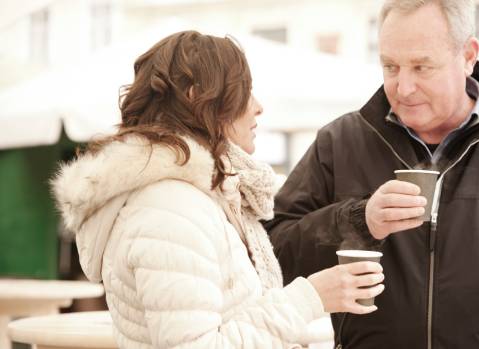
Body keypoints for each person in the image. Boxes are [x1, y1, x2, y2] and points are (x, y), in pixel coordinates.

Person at [51, 30, 384, 348]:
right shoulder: (170, 209)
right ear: (198, 98)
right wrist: (310, 297)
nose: (257, 106)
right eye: (244, 91)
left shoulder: (201, 196)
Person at [264, 1, 479, 348]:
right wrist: (360, 221)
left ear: (468, 55)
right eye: (390, 66)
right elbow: (269, 256)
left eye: (422, 67)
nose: (403, 87)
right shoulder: (339, 142)